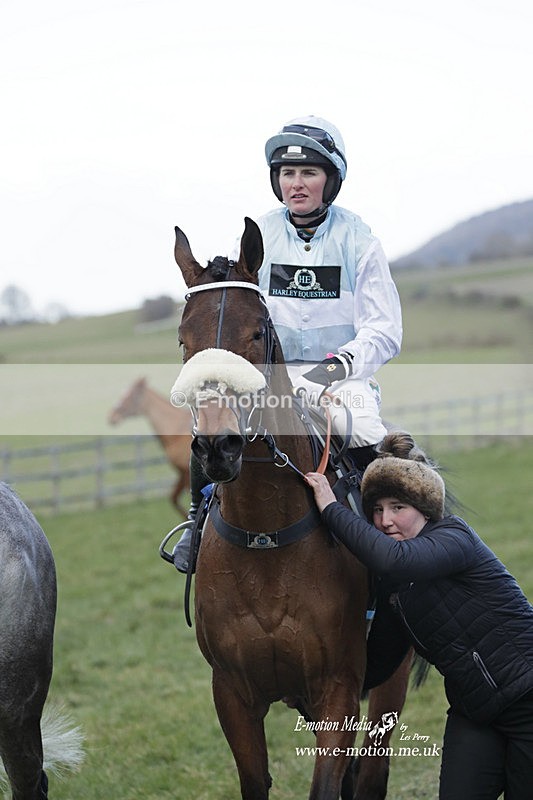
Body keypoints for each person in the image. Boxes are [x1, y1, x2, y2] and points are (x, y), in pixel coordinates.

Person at [172, 114, 402, 573]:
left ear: (330, 180)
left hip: (341, 378)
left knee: (364, 432)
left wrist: (328, 374)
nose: (297, 184)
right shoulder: (259, 235)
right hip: (266, 375)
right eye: (287, 174)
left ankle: (392, 552)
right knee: (211, 424)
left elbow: (384, 331)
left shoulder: (360, 242)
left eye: (309, 173)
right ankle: (199, 525)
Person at [305, 431, 533, 800]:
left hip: (527, 698)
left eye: (398, 507)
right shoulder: (394, 590)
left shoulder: (454, 537)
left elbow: (393, 558)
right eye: (376, 510)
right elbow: (375, 665)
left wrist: (331, 508)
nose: (385, 521)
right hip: (473, 712)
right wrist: (309, 686)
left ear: (425, 510)